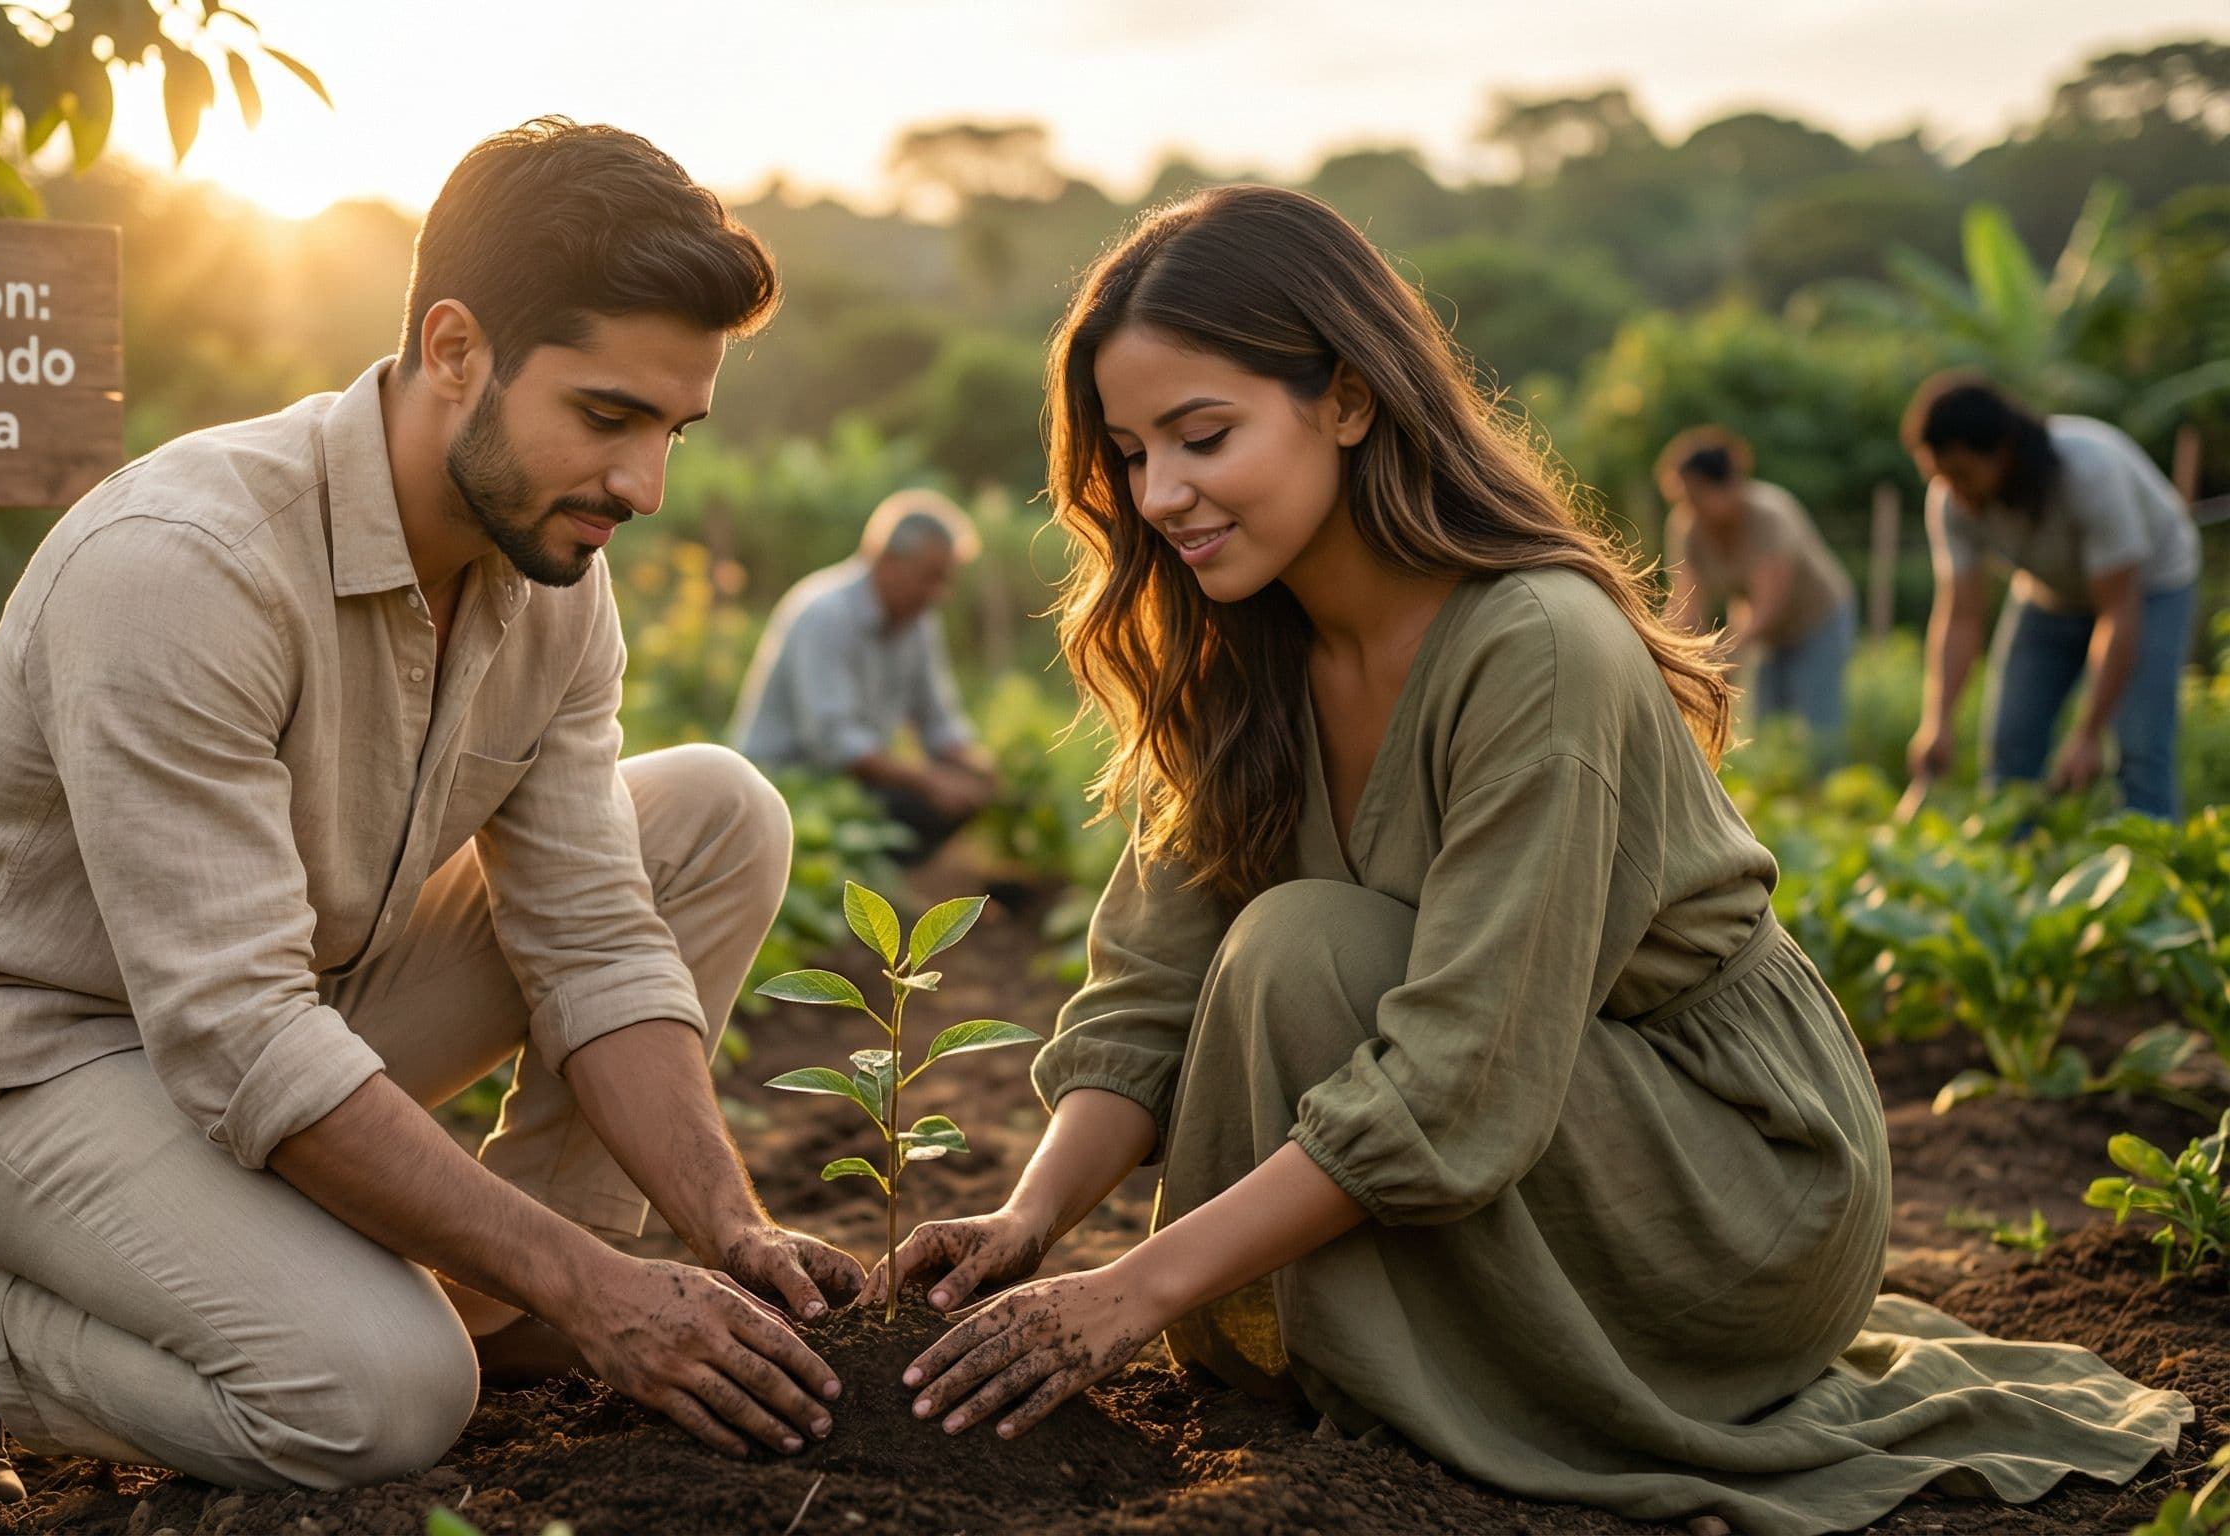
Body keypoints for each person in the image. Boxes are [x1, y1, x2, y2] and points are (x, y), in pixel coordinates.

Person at [862, 186, 2187, 1536]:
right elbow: (1148, 992)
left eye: (1204, 437)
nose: (1162, 496)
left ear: (1352, 399)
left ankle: (1454, 1375)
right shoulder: (1238, 647)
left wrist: (1138, 1287)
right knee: (1279, 949)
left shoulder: (1535, 646)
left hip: (1726, 1180)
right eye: (1131, 454)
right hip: (1525, 1126)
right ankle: (1386, 1354)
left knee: (1301, 948)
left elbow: (1465, 1068)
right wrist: (1032, 1226)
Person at [0, 120, 865, 1516]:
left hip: (285, 1002)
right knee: (378, 1399)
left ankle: (505, 1306)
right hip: (27, 1062)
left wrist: (725, 1227)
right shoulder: (186, 567)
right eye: (609, 417)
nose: (643, 487)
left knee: (712, 814)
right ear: (455, 350)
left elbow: (596, 937)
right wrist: (588, 1279)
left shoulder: (550, 571)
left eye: (672, 432)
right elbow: (238, 1035)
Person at [1903, 373, 2203, 820]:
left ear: (2002, 452)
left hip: (2151, 586)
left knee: (2139, 748)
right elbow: (1960, 616)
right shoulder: (1950, 500)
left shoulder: (2088, 471)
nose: (1954, 492)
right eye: (1941, 477)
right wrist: (1938, 721)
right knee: (2010, 744)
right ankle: (2010, 872)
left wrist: (2087, 733)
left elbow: (2118, 612)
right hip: (2049, 594)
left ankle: (2151, 868)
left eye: (1963, 475)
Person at [731, 487, 997, 860]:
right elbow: (832, 742)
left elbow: (937, 719)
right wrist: (929, 780)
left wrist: (980, 769)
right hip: (789, 783)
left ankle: (882, 882)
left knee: (962, 795)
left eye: (946, 580)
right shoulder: (824, 613)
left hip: (852, 783)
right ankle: (863, 885)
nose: (939, 593)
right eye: (930, 577)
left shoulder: (918, 623)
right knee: (921, 802)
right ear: (888, 561)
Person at [1656, 425, 1858, 770]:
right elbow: (1685, 602)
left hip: (1817, 620)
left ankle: (1828, 799)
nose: (1691, 506)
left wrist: (1726, 655)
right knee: (1765, 728)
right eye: (1685, 497)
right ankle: (1779, 803)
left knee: (1819, 728)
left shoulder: (1770, 515)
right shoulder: (1688, 527)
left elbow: (1769, 607)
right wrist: (1673, 656)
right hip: (1761, 630)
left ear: (1729, 485)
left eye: (1699, 495)